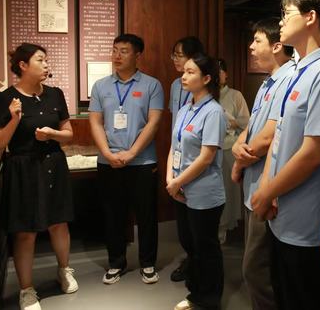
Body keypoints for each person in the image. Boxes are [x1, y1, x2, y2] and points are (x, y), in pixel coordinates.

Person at [251, 0, 320, 310]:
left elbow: (313, 153)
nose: (281, 21)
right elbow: (279, 138)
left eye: (287, 13)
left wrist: (267, 192)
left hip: (307, 223)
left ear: (310, 17)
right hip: (283, 214)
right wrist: (266, 188)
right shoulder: (297, 70)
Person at [0, 43, 77, 310]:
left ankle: (64, 270)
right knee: (25, 232)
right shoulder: (5, 99)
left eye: (46, 60)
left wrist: (52, 134)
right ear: (23, 65)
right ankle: (26, 290)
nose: (46, 64)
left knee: (59, 223)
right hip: (22, 169)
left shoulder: (55, 94)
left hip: (53, 163)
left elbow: (69, 134)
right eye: (40, 60)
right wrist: (14, 119)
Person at [88, 34, 164, 285]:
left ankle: (148, 263)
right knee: (113, 215)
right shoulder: (100, 86)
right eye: (114, 50)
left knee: (146, 215)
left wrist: (131, 153)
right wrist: (107, 153)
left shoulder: (152, 85)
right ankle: (116, 263)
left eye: (124, 51)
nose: (117, 56)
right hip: (108, 161)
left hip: (142, 162)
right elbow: (95, 122)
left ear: (137, 55)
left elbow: (153, 123)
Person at [231, 18, 295, 310]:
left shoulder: (289, 79)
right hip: (253, 185)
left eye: (257, 41)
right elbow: (252, 127)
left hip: (266, 187)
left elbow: (270, 136)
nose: (251, 47)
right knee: (257, 268)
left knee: (256, 271)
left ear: (277, 46)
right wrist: (238, 146)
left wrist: (240, 161)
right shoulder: (268, 81)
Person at [167, 53, 226, 310]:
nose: (184, 76)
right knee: (190, 244)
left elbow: (206, 158)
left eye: (191, 72)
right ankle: (195, 293)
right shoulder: (185, 109)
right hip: (181, 189)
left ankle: (208, 299)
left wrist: (176, 182)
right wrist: (171, 179)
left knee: (205, 249)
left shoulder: (213, 112)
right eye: (184, 71)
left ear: (207, 78)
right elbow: (174, 146)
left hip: (204, 192)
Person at [169, 36, 205, 282]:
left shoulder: (209, 95)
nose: (175, 60)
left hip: (198, 162)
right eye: (174, 55)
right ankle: (191, 260)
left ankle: (201, 268)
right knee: (182, 224)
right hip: (178, 160)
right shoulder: (175, 85)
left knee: (199, 226)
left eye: (179, 55)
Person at [217, 58, 250, 243]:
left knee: (228, 191)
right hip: (210, 149)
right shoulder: (205, 95)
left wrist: (230, 121)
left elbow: (247, 122)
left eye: (220, 71)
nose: (217, 75)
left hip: (229, 147)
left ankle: (223, 230)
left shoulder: (235, 95)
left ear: (226, 74)